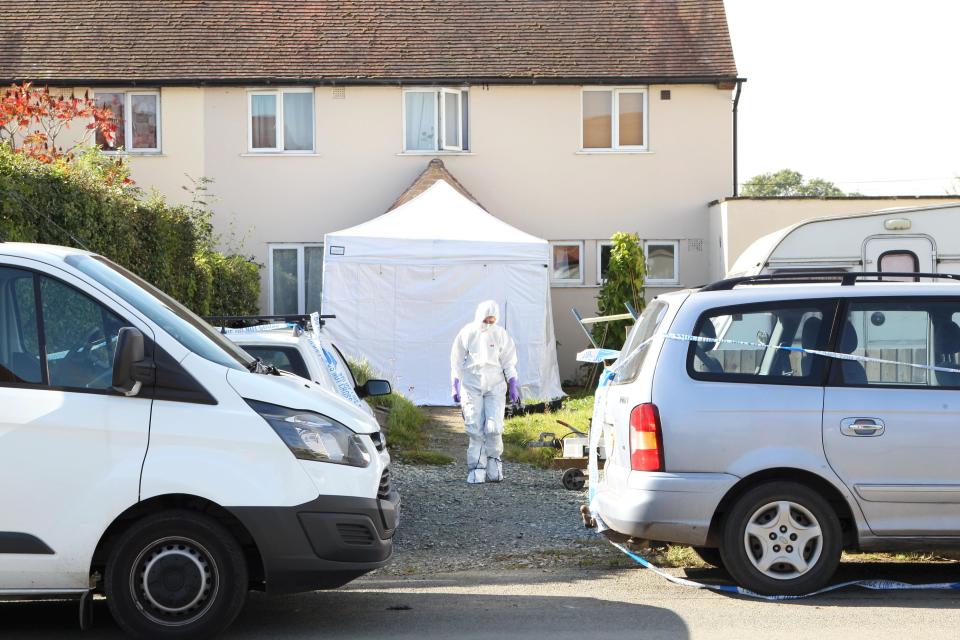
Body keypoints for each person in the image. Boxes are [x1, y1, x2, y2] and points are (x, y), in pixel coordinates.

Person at [450, 300, 520, 484]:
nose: (488, 324)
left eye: (492, 321)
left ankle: (494, 464)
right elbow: (456, 359)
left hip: (495, 384)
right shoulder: (468, 332)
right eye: (486, 321)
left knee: (494, 426)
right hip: (471, 384)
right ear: (479, 317)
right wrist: (454, 383)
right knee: (474, 427)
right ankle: (476, 468)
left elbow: (508, 360)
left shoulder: (500, 334)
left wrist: (512, 382)